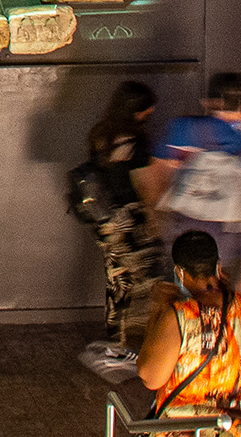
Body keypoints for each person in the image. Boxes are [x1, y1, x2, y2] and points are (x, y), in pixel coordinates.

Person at [150, 71, 241, 302]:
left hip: (179, 245)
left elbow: (154, 185)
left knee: (176, 313)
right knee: (223, 313)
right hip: (227, 253)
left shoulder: (180, 130)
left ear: (209, 102)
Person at [139, 229, 241, 437]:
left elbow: (151, 377)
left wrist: (157, 310)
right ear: (218, 267)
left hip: (190, 429)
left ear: (180, 273)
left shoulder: (178, 317)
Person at [77, 80, 164, 380]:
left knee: (117, 279)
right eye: (148, 107)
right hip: (131, 217)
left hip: (105, 219)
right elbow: (144, 185)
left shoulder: (101, 133)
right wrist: (154, 219)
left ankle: (117, 340)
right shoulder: (138, 141)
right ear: (139, 109)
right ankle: (151, 341)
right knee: (149, 278)